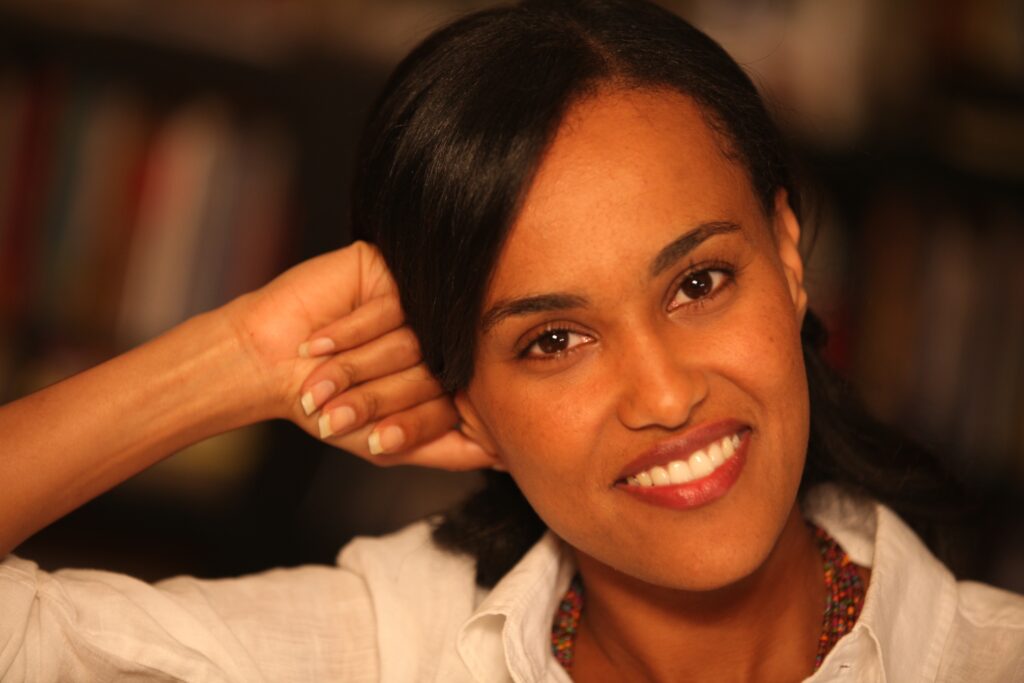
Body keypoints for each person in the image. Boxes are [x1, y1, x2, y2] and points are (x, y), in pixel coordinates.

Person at [1, 0, 1022, 681]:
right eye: (553, 339)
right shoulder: (386, 648)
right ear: (467, 399)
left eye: (699, 282)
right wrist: (238, 358)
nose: (664, 394)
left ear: (789, 254)